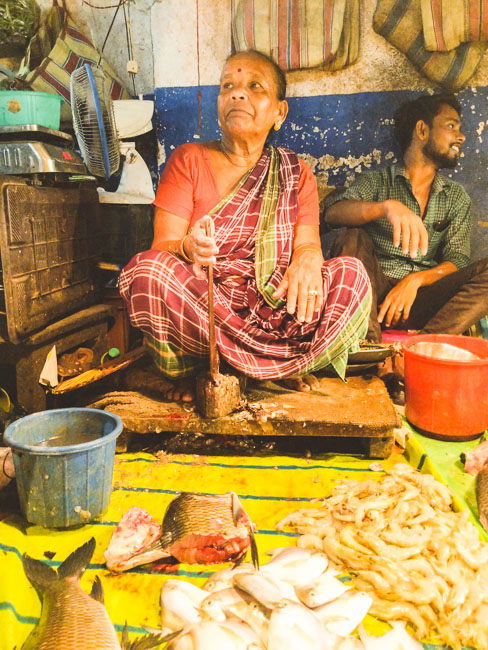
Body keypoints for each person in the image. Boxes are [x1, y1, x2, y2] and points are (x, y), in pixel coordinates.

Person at [119, 50, 371, 401]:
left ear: (279, 112)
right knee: (148, 272)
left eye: (255, 86)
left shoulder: (295, 172)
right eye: (228, 86)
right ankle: (281, 367)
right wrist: (187, 248)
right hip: (206, 307)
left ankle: (239, 367)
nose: (238, 94)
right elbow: (162, 247)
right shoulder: (188, 160)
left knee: (352, 275)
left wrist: (307, 261)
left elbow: (308, 245)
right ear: (219, 102)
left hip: (277, 310)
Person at [325, 93, 488, 344]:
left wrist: (414, 281)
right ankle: (369, 346)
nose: (461, 136)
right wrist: (386, 208)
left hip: (423, 299)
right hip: (372, 297)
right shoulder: (377, 182)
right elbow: (333, 213)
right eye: (451, 125)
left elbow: (457, 260)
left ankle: (420, 348)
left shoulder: (455, 197)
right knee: (351, 237)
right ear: (422, 130)